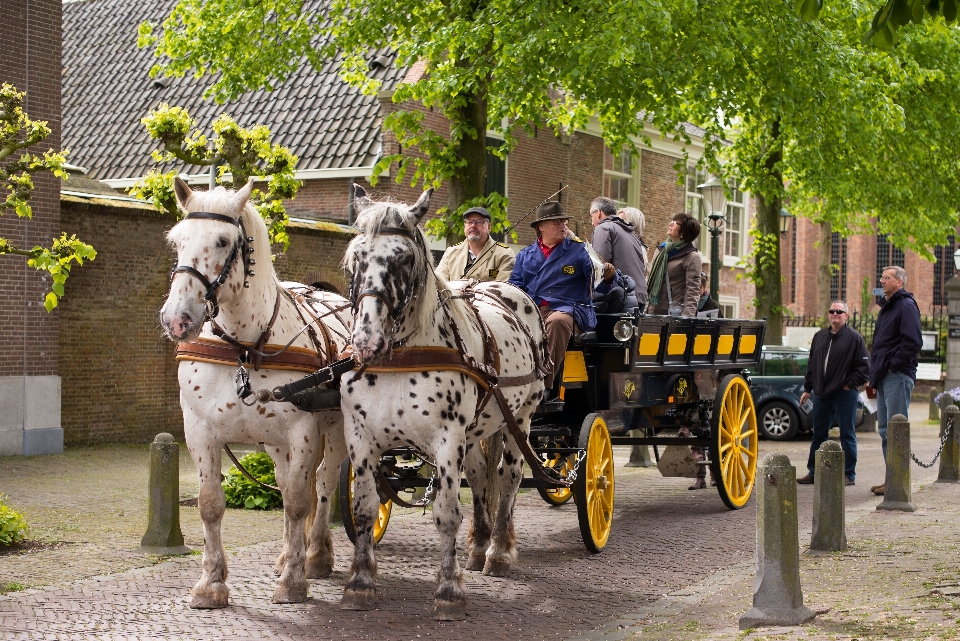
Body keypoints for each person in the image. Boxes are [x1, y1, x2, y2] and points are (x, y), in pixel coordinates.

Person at [509, 201, 596, 398]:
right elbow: (514, 286)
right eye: (556, 222)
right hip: (533, 309)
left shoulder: (580, 250)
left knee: (556, 322)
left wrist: (607, 274)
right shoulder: (525, 255)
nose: (563, 225)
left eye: (564, 221)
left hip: (569, 309)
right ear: (541, 226)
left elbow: (599, 274)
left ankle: (544, 386)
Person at [797, 301, 869, 487]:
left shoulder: (854, 338)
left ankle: (848, 474)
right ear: (828, 315)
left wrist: (848, 385)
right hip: (821, 394)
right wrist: (808, 389)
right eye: (832, 311)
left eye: (839, 311)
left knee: (847, 433)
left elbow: (863, 368)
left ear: (846, 316)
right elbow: (811, 364)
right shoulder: (820, 336)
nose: (835, 314)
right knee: (818, 434)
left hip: (845, 394)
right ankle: (814, 471)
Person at [868, 266, 922, 496]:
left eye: (887, 278)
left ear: (899, 282)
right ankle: (891, 478)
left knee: (896, 430)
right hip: (883, 376)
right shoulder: (888, 307)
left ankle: (898, 482)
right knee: (884, 430)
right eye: (881, 277)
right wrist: (876, 374)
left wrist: (892, 366)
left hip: (897, 376)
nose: (882, 280)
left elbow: (912, 342)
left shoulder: (906, 306)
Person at [590, 197, 648, 307]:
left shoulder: (603, 228)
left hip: (619, 298)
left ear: (598, 213)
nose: (592, 223)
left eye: (591, 216)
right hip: (638, 296)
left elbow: (599, 266)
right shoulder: (630, 233)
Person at [435, 206, 515, 283]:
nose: (473, 226)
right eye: (469, 222)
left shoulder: (504, 254)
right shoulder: (450, 253)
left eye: (478, 222)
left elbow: (502, 289)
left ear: (489, 227)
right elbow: (438, 283)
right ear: (464, 226)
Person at [646, 213, 703, 317]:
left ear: (683, 232)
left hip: (673, 316)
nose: (670, 224)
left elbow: (693, 291)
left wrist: (685, 319)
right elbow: (649, 279)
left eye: (676, 223)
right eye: (672, 221)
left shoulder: (692, 257)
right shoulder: (660, 251)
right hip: (652, 312)